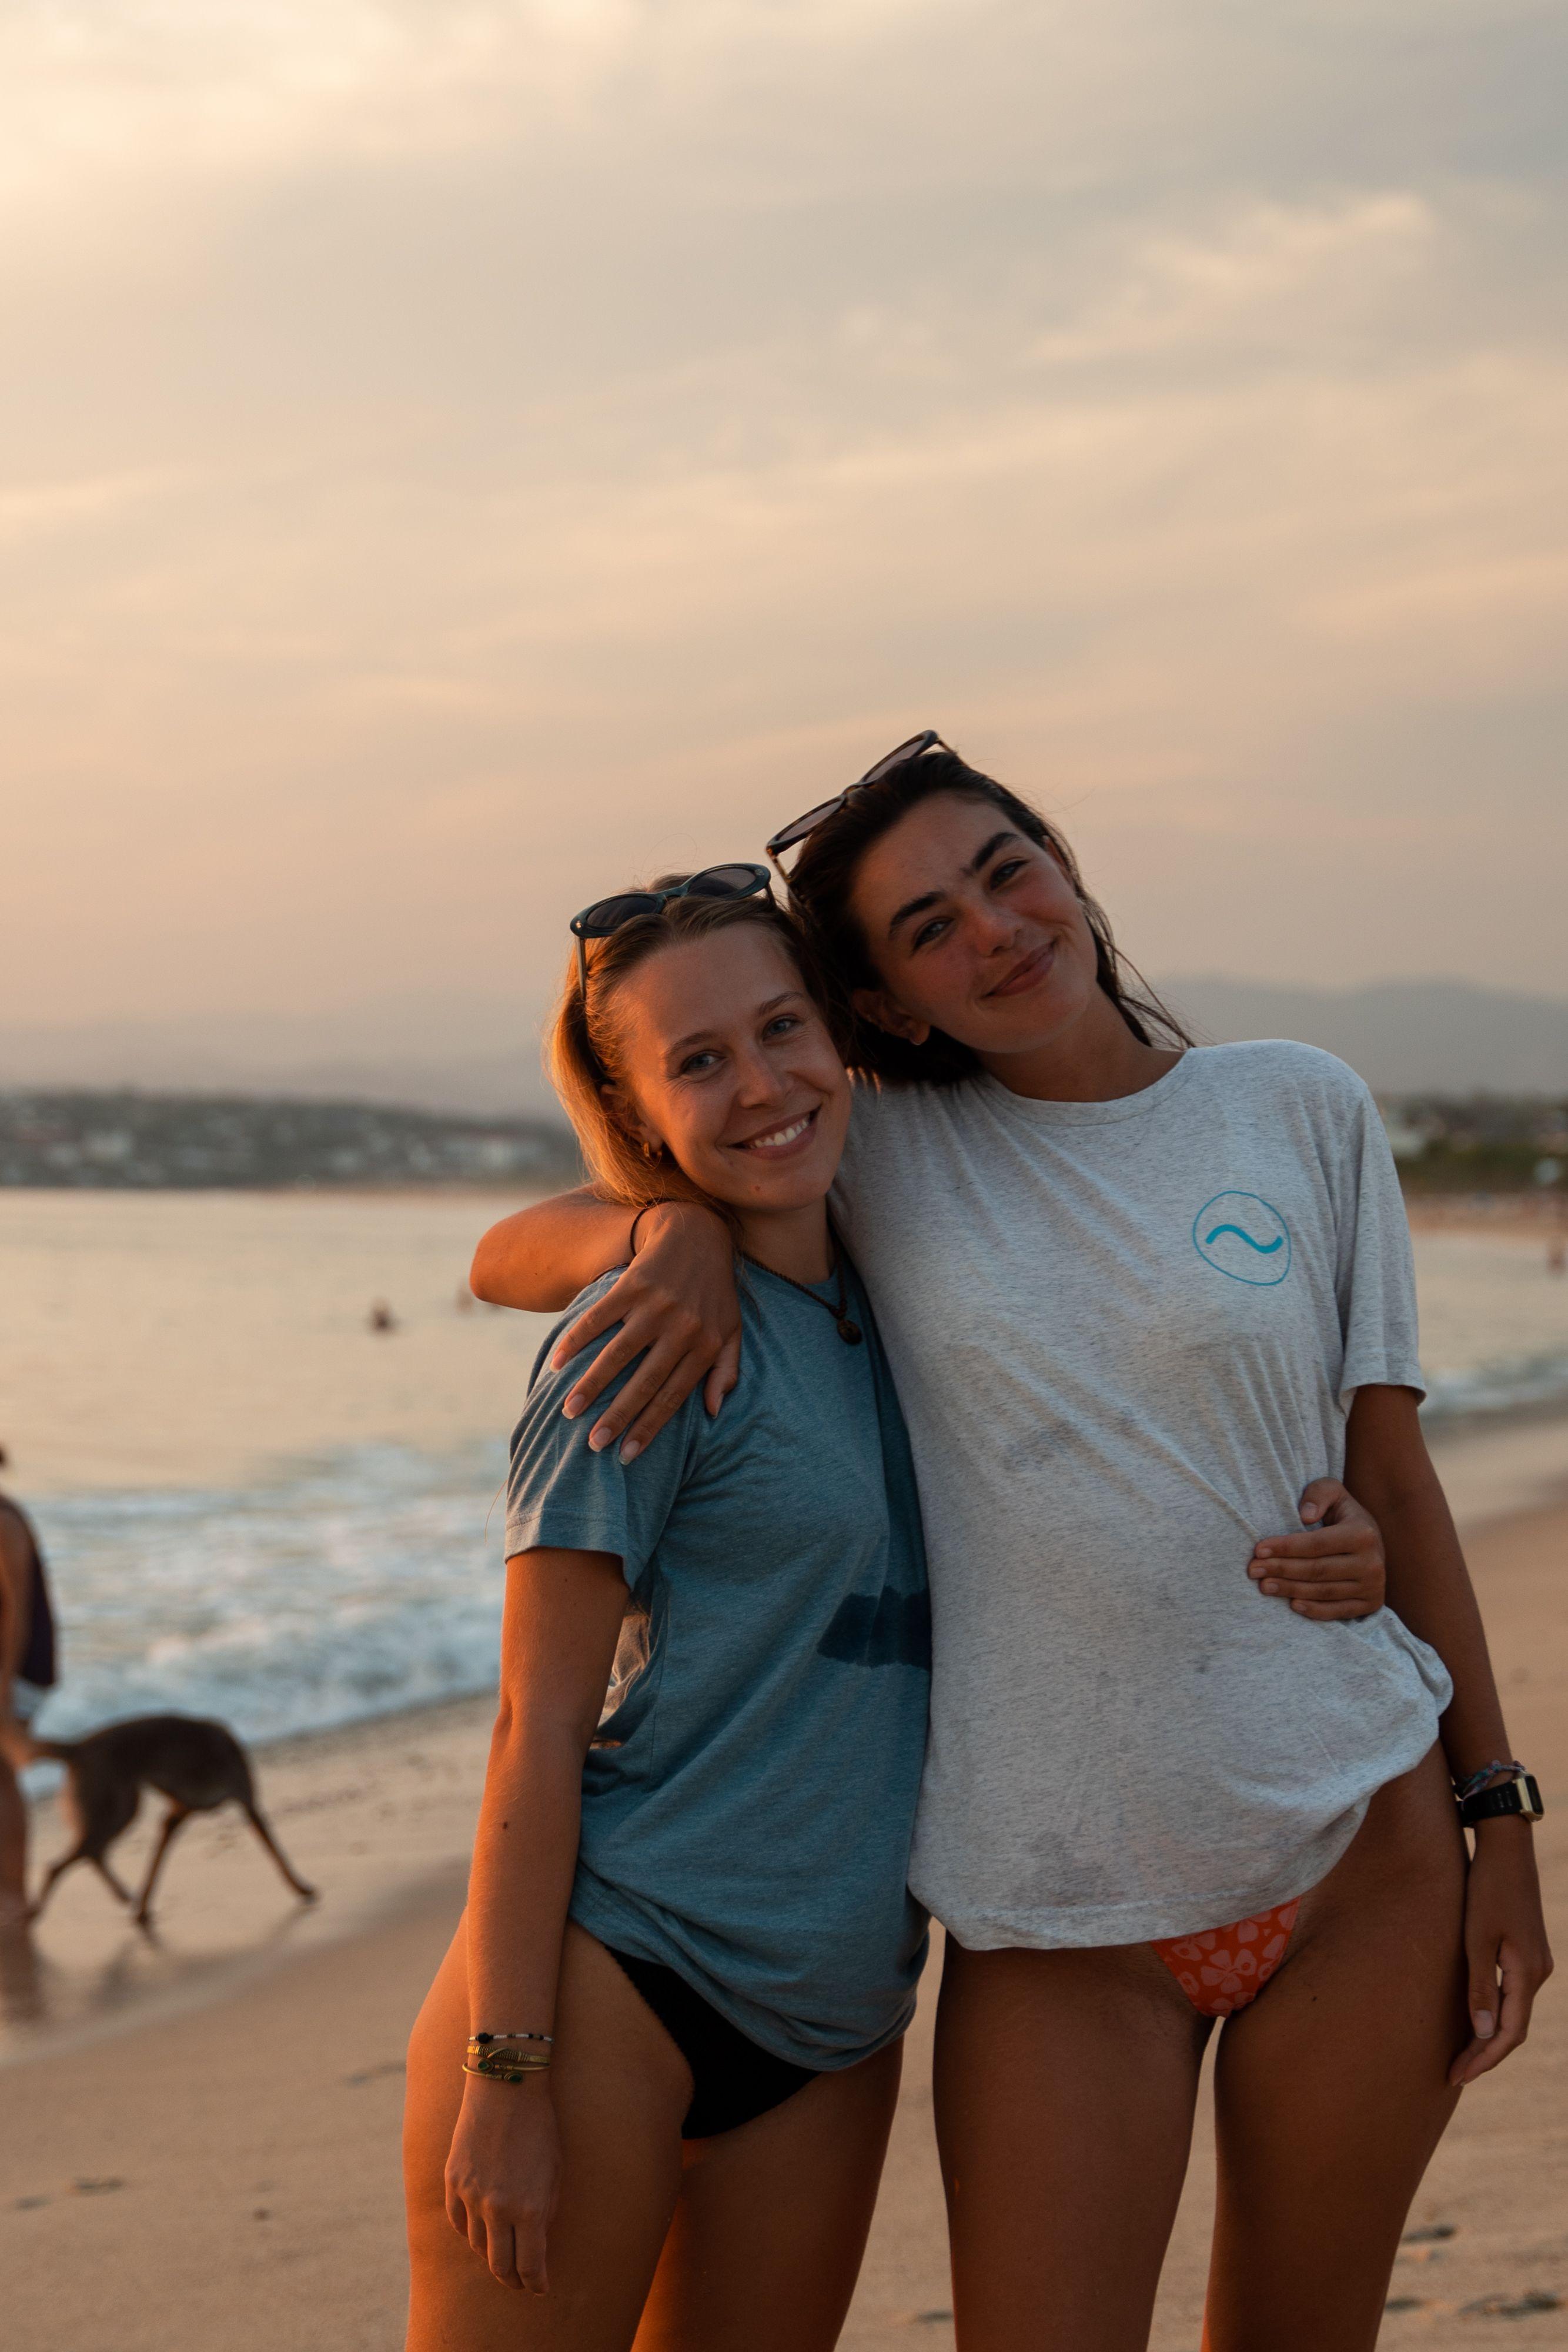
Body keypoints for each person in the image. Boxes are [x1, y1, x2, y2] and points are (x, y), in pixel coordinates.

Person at [470, 739, 1552, 2351]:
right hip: (1052, 1911)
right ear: (887, 1009)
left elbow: (1389, 1480)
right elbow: (506, 1252)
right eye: (922, 927)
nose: (991, 926)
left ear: (1060, 862)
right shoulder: (873, 1143)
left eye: (1002, 867)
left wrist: (1501, 1817)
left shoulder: (1300, 1106)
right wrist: (661, 1231)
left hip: (1360, 1845)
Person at [402, 873, 934, 2352]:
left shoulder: (921, 1295)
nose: (762, 1081)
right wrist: (509, 2073)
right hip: (608, 1983)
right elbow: (539, 1716)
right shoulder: (641, 1337)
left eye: (782, 1028)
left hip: (835, 2017)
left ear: (841, 1037)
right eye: (700, 1060)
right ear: (638, 1117)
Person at [0, 1445, 59, 1925]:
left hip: (18, 1668)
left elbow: (17, 1615)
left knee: (1, 1774)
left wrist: (2, 1687)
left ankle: (16, 1895)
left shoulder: (5, 1520)